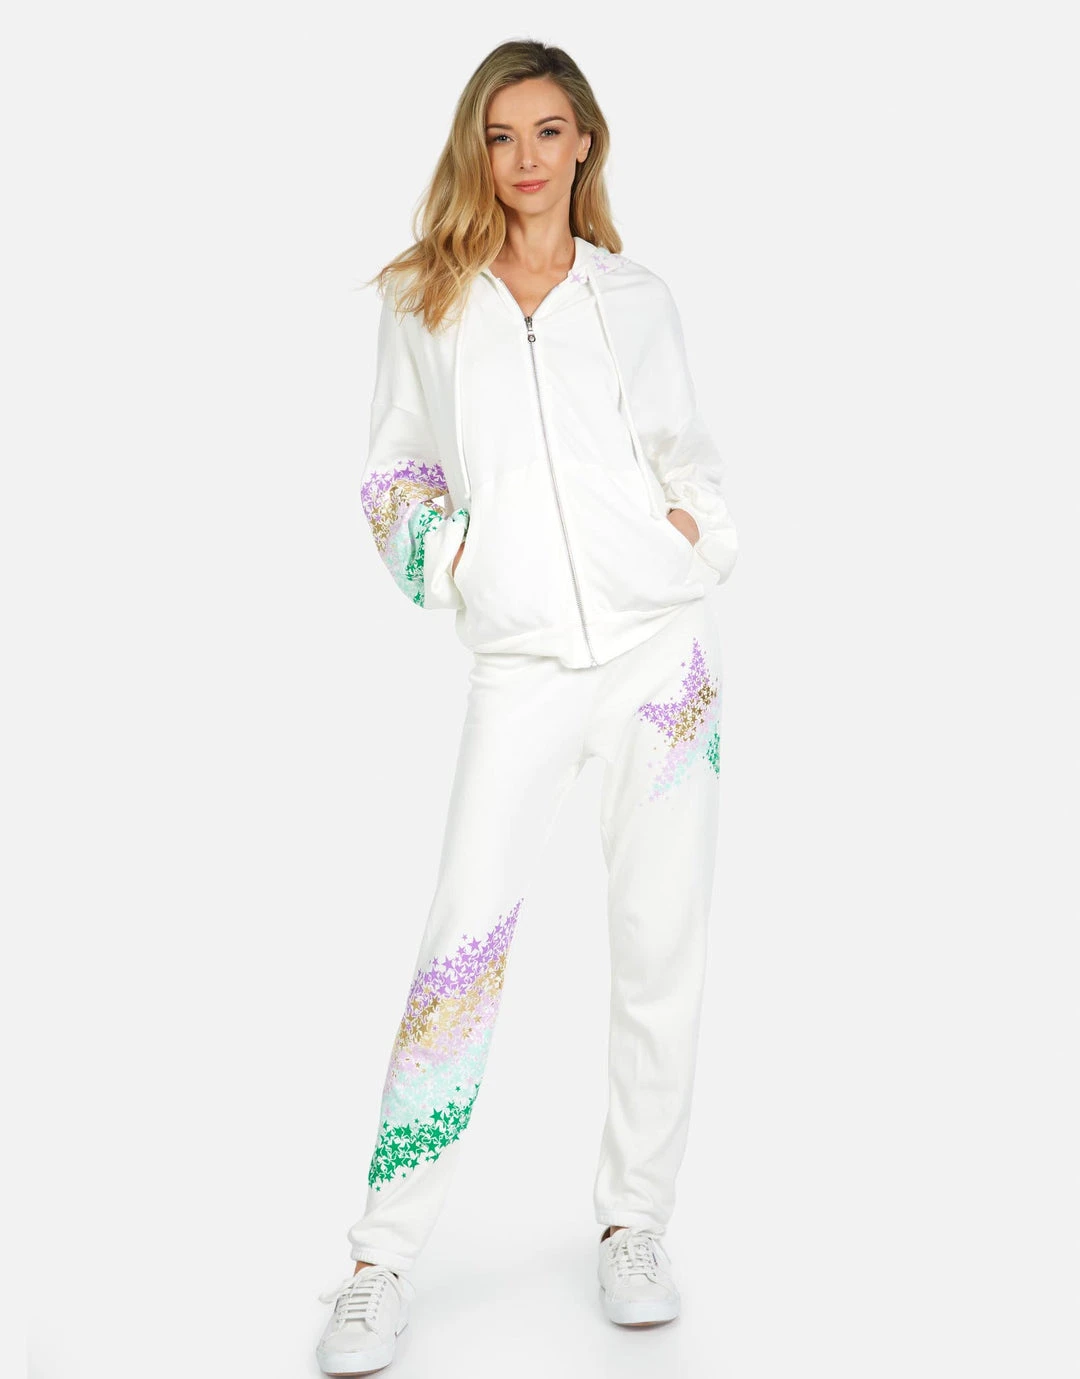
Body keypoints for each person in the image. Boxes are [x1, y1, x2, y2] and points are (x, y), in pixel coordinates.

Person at [316, 37, 739, 1376]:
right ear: (476, 149)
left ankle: (634, 1225)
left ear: (585, 142)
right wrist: (456, 563)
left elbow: (690, 461)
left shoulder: (637, 297)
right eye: (501, 136)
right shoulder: (426, 298)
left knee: (660, 942)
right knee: (462, 946)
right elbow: (390, 471)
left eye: (549, 132)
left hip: (660, 664)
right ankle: (380, 1260)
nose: (526, 160)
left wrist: (685, 541)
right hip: (521, 667)